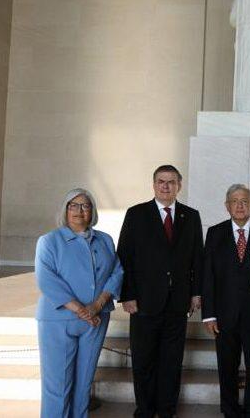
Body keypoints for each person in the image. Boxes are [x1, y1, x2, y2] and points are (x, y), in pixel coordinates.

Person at [117, 165, 204, 418]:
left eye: (171, 182)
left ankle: (167, 410)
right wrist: (127, 295)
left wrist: (196, 293)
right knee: (143, 361)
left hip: (178, 303)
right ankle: (145, 410)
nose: (166, 186)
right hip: (143, 302)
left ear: (179, 185)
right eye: (161, 181)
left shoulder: (191, 216)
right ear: (153, 184)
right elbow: (125, 256)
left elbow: (197, 257)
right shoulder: (137, 214)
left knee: (171, 362)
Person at [35, 188, 123, 418]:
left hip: (96, 319)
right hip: (59, 320)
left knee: (83, 383)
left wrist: (98, 305)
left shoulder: (105, 240)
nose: (79, 210)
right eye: (73, 205)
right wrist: (82, 310)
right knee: (58, 387)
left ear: (92, 211)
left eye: (85, 205)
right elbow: (47, 280)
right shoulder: (49, 241)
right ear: (65, 210)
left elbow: (117, 272)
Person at [202, 184, 250, 418]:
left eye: (244, 201)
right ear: (227, 206)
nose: (240, 205)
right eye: (234, 201)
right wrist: (209, 314)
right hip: (224, 316)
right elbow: (208, 275)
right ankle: (230, 412)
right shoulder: (215, 233)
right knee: (227, 368)